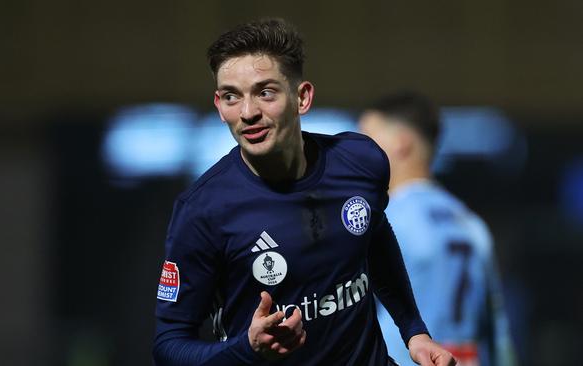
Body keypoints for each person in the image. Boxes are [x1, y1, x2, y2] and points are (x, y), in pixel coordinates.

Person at [153, 19, 456, 366]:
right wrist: (247, 350)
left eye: (265, 92)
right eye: (232, 96)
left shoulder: (361, 161)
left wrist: (414, 331)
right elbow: (168, 346)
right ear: (220, 106)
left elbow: (373, 237)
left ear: (302, 97)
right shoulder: (202, 210)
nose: (248, 112)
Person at [359, 91, 517, 366]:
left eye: (366, 139)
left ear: (400, 143)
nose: (356, 152)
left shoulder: (383, 219)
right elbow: (499, 334)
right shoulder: (471, 224)